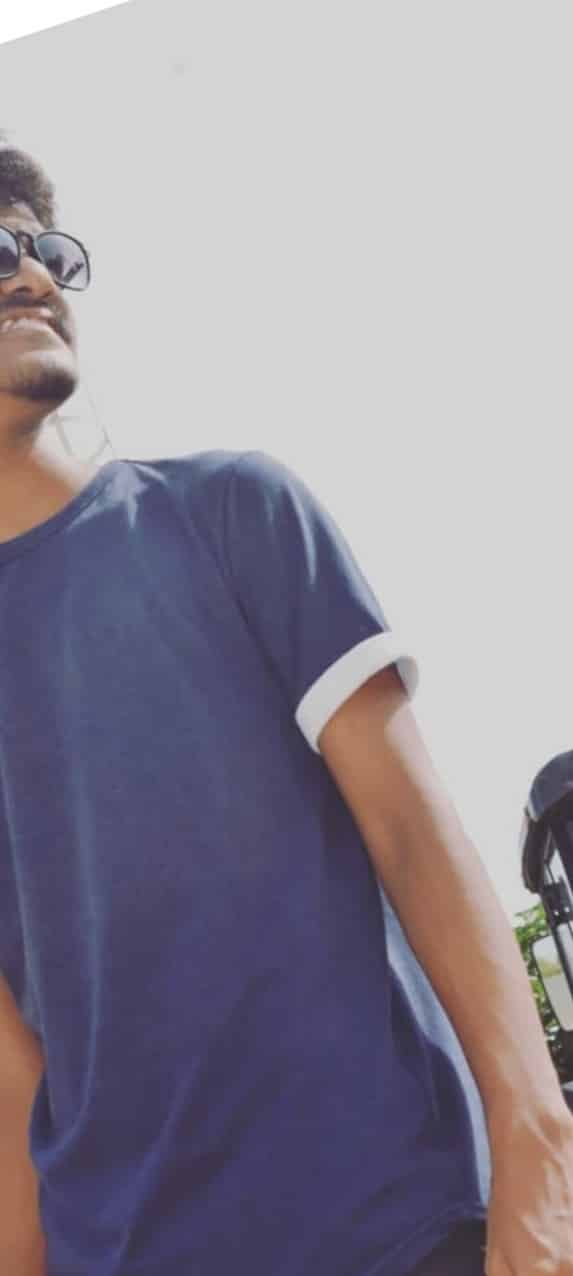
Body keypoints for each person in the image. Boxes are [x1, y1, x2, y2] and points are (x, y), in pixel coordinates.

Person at [0, 143, 571, 1276]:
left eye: (46, 249)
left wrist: (538, 1143)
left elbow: (415, 836)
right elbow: (16, 1066)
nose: (33, 274)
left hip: (399, 1227)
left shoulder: (230, 513)